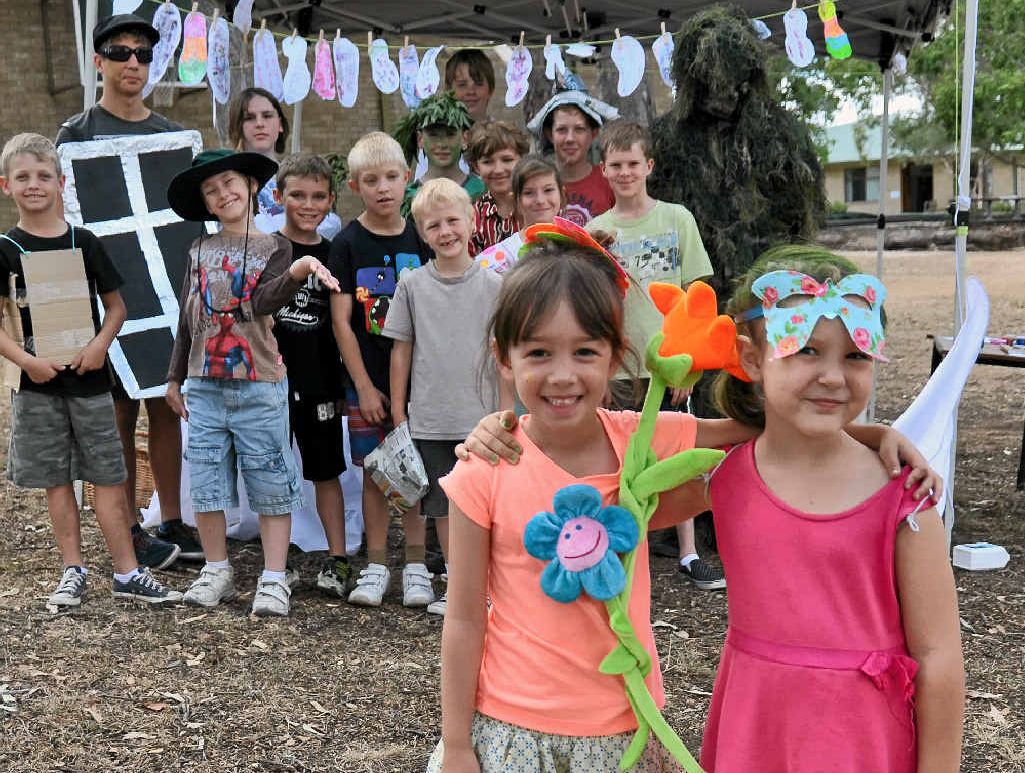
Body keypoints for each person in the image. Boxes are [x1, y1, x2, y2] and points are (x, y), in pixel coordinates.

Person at [699, 245, 964, 771]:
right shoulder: (722, 475)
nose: (833, 377)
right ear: (752, 358)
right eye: (806, 350)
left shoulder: (901, 492)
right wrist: (495, 442)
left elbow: (940, 657)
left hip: (862, 741)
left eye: (855, 355)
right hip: (756, 733)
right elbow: (608, 468)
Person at [0, 133, 181, 607]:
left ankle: (126, 570)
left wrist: (101, 345)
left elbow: (117, 306)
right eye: (23, 177)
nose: (34, 184)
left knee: (106, 475)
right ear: (6, 186)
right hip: (37, 387)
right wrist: (27, 362)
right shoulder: (4, 249)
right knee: (58, 481)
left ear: (61, 183)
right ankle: (72, 569)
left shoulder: (87, 242)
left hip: (91, 383)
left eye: (43, 176)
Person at [164, 149, 340, 617]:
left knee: (269, 478)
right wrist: (174, 376)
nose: (223, 194)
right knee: (205, 479)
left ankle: (274, 576)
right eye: (211, 189)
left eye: (230, 183)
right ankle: (217, 569)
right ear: (205, 201)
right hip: (204, 384)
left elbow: (263, 302)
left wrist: (300, 271)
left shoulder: (275, 248)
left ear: (251, 185)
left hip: (258, 382)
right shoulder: (197, 250)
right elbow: (188, 315)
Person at [56, 12, 194, 570]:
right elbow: (66, 225)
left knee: (166, 406)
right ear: (99, 62)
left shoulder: (167, 137)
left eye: (142, 53)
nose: (133, 62)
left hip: (164, 293)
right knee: (116, 415)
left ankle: (174, 517)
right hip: (104, 297)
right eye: (121, 53)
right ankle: (127, 525)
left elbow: (185, 222)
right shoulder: (77, 135)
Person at [589, 119, 722, 590]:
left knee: (677, 448)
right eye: (615, 164)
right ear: (603, 170)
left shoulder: (676, 218)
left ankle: (688, 551)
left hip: (670, 364)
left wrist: (691, 360)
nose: (625, 172)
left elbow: (698, 294)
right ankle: (623, 545)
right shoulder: (596, 230)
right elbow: (590, 302)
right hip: (620, 363)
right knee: (620, 454)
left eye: (633, 163)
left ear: (649, 165)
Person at [385, 179, 511, 617]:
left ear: (472, 222)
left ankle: (494, 588)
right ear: (422, 233)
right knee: (443, 507)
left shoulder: (497, 287)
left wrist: (510, 412)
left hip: (485, 421)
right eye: (433, 225)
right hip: (432, 419)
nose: (445, 231)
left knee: (487, 508)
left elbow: (506, 357)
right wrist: (399, 412)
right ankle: (460, 588)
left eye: (453, 220)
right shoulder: (412, 286)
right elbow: (401, 351)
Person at [328, 132, 435, 608]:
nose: (383, 188)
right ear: (355, 186)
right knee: (376, 473)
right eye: (371, 180)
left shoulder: (423, 237)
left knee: (414, 472)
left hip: (419, 382)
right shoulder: (347, 244)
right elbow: (342, 323)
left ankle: (415, 565)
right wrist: (366, 388)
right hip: (366, 382)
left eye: (392, 177)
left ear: (407, 179)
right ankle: (375, 565)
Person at [270, 153, 352, 598]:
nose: (308, 203)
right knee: (273, 471)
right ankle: (276, 566)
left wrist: (341, 384)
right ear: (278, 196)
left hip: (318, 380)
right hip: (269, 384)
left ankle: (337, 559)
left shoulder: (334, 253)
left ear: (331, 200)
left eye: (318, 196)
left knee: (326, 470)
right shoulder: (266, 250)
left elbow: (343, 326)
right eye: (297, 195)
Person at [227, 87, 343, 239]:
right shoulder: (227, 182)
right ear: (238, 126)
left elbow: (330, 225)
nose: (260, 123)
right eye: (249, 118)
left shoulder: (299, 173)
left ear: (280, 124)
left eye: (267, 116)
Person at [526, 91, 619, 226]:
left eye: (579, 129)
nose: (570, 138)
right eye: (562, 130)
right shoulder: (537, 186)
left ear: (593, 134)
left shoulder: (610, 180)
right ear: (550, 134)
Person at [395, 92, 485, 217]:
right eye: (433, 135)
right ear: (420, 139)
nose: (442, 144)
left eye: (450, 134)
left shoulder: (482, 192)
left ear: (465, 138)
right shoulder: (406, 198)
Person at [473, 157, 564, 274]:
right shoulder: (498, 260)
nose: (540, 200)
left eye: (548, 190)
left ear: (561, 194)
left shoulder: (580, 246)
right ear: (516, 200)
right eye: (529, 193)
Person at [463, 121, 530, 257]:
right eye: (488, 162)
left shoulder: (539, 205)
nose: (498, 170)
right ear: (476, 167)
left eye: (507, 160)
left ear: (522, 160)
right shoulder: (472, 217)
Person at [444, 49, 496, 124]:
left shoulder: (504, 134)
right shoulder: (434, 133)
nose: (471, 91)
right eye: (462, 85)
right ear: (448, 90)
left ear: (491, 89)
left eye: (478, 84)